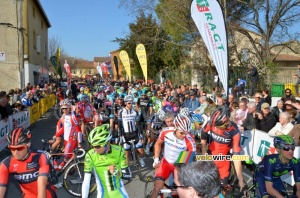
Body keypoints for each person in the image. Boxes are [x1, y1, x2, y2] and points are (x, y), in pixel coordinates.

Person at [0, 127, 57, 198]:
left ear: (28, 145)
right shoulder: (6, 164)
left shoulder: (40, 157)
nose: (15, 152)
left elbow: (42, 185)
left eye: (20, 148)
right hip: (28, 195)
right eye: (12, 148)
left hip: (46, 193)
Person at [201, 107, 245, 194]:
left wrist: (240, 180)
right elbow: (203, 133)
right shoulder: (212, 122)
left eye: (219, 126)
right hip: (210, 159)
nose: (216, 127)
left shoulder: (235, 131)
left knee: (222, 192)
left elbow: (236, 157)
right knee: (206, 190)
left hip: (224, 162)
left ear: (226, 120)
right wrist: (203, 152)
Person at [150, 114, 196, 198]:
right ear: (175, 127)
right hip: (165, 163)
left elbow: (187, 161)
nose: (184, 135)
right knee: (157, 188)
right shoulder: (166, 132)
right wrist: (156, 159)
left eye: (186, 133)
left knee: (179, 191)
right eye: (182, 133)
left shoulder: (190, 141)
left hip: (178, 165)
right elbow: (158, 144)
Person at [82, 124, 130, 198]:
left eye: (97, 146)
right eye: (93, 146)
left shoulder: (119, 150)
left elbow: (128, 175)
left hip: (120, 193)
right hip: (103, 194)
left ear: (107, 144)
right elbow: (86, 182)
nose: (94, 149)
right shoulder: (90, 155)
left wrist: (117, 172)